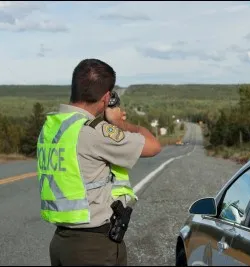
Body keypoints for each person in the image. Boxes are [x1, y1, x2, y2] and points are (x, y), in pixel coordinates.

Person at [36, 58, 162, 266]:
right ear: (106, 98)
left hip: (61, 242)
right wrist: (120, 123)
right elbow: (153, 145)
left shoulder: (52, 128)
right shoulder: (94, 132)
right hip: (93, 246)